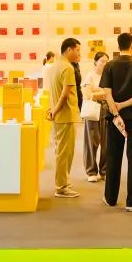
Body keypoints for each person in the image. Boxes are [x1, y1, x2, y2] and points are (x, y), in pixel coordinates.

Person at [100, 33, 132, 212]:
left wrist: (116, 111)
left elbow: (107, 93)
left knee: (113, 156)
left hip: (115, 119)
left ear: (118, 46)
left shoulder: (109, 65)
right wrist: (124, 105)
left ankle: (110, 198)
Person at [47, 39, 81, 198]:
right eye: (77, 50)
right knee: (64, 153)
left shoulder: (55, 65)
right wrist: (55, 110)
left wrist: (53, 110)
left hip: (59, 115)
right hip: (65, 115)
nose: (79, 53)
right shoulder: (67, 68)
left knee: (61, 151)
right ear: (69, 50)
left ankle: (63, 182)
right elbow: (65, 95)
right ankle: (61, 187)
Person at [81, 52, 109, 182]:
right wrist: (103, 93)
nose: (105, 64)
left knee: (106, 141)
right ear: (95, 62)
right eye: (102, 61)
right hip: (93, 109)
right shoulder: (90, 76)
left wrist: (97, 92)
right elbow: (88, 95)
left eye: (107, 61)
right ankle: (91, 171)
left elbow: (112, 93)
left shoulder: (109, 76)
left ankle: (104, 170)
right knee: (91, 140)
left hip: (107, 109)